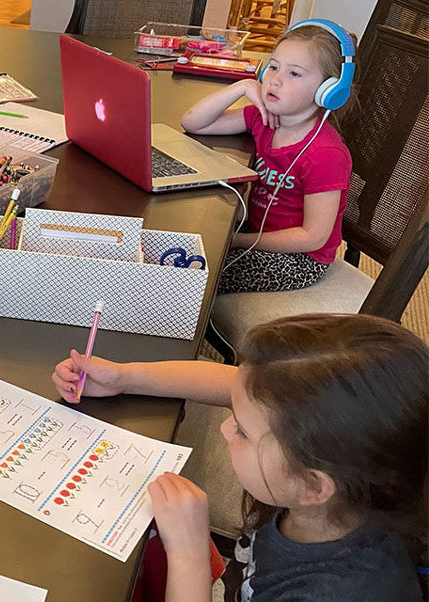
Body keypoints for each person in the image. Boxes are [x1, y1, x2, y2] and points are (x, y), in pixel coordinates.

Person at [51, 314, 426, 602]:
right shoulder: (343, 485)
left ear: (314, 485)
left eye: (243, 430)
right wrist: (124, 377)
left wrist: (189, 553)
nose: (226, 429)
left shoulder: (335, 591)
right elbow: (231, 383)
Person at [181, 21, 355, 294]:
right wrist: (242, 87)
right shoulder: (266, 119)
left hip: (299, 258)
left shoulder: (325, 155)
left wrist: (240, 240)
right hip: (254, 232)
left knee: (196, 278)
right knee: (185, 241)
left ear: (329, 90)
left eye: (295, 73)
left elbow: (313, 237)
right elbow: (194, 122)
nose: (275, 79)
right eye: (273, 66)